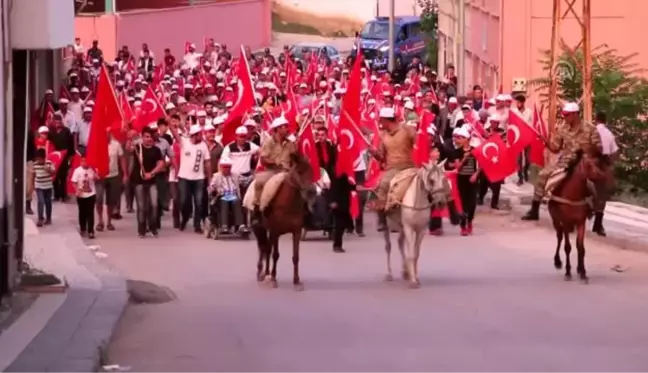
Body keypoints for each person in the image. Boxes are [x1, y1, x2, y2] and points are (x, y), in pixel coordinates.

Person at [522, 102, 603, 220]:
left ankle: (594, 210)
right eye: (564, 115)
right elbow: (555, 148)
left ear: (575, 114)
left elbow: (599, 149)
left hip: (584, 162)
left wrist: (590, 150)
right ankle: (534, 209)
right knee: (542, 175)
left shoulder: (590, 128)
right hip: (566, 161)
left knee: (595, 183)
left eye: (567, 115)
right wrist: (546, 141)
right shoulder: (562, 128)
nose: (564, 117)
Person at [367, 107, 416, 230]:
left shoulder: (406, 130)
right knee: (381, 187)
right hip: (392, 169)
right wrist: (374, 153)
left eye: (381, 121)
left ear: (387, 120)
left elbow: (419, 144)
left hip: (409, 166)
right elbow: (381, 157)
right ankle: (382, 220)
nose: (380, 123)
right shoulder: (383, 135)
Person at [251, 116, 298, 225]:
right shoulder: (269, 142)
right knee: (259, 182)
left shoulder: (291, 143)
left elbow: (295, 158)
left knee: (302, 184)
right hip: (272, 171)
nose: (287, 129)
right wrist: (275, 162)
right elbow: (263, 160)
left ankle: (304, 210)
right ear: (277, 129)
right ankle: (257, 208)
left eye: (287, 126)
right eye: (284, 127)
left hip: (287, 172)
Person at [171, 124, 212, 233]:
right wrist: (170, 122)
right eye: (199, 134)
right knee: (184, 201)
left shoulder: (203, 145)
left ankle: (197, 225)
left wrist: (210, 178)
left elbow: (207, 162)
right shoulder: (184, 142)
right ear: (194, 135)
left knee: (198, 202)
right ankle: (184, 218)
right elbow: (174, 133)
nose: (201, 136)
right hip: (184, 178)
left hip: (199, 179)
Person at [131, 127, 165, 237]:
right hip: (138, 181)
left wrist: (152, 173)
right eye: (146, 137)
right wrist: (129, 137)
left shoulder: (156, 150)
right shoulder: (137, 148)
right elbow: (128, 148)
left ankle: (153, 227)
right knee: (142, 207)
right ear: (142, 137)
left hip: (152, 181)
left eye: (150, 137)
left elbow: (161, 164)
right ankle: (141, 229)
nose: (148, 139)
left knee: (154, 205)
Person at [592, 111, 618, 236]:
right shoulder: (609, 134)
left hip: (591, 163)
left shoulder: (591, 131)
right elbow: (615, 152)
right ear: (605, 121)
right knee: (602, 196)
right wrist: (609, 164)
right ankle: (598, 225)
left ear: (595, 120)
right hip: (603, 165)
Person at [95, 132, 127, 232]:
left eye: (108, 133)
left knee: (111, 201)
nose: (106, 135)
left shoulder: (116, 144)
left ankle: (109, 222)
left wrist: (125, 174)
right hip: (100, 176)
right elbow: (92, 159)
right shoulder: (97, 145)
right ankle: (100, 221)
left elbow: (122, 159)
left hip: (113, 176)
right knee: (99, 199)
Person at [208, 156, 247, 234]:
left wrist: (252, 178)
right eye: (225, 167)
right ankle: (224, 225)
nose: (227, 169)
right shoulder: (216, 176)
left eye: (228, 167)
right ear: (221, 167)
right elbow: (211, 187)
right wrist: (212, 189)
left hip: (233, 196)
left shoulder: (235, 175)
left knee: (237, 201)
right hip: (222, 196)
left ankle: (240, 225)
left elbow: (244, 181)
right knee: (224, 201)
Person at [452, 127, 479, 235]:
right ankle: (463, 225)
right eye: (459, 137)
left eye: (462, 138)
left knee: (472, 202)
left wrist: (476, 174)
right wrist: (464, 158)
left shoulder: (475, 150)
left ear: (467, 139)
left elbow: (480, 165)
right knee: (462, 203)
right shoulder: (457, 152)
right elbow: (457, 166)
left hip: (472, 178)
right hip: (462, 178)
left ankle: (470, 221)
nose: (459, 140)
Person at [70, 151, 98, 239]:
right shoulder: (77, 171)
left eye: (85, 161)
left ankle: (91, 231)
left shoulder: (92, 169)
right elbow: (73, 182)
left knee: (90, 213)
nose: (84, 163)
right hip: (81, 195)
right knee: (82, 213)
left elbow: (96, 179)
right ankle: (83, 228)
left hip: (91, 194)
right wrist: (77, 190)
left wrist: (96, 176)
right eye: (82, 161)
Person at [514, 94, 533, 185]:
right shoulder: (514, 112)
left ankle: (526, 170)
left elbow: (533, 124)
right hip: (518, 138)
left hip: (527, 138)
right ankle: (520, 177)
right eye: (516, 102)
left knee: (528, 158)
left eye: (518, 102)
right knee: (518, 159)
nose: (517, 104)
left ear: (523, 103)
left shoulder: (529, 112)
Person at [33, 148, 55, 227]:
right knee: (40, 202)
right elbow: (33, 175)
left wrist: (48, 169)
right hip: (39, 186)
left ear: (44, 158)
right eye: (37, 159)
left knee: (48, 202)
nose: (39, 161)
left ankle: (48, 218)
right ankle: (40, 218)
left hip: (48, 186)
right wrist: (32, 186)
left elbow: (54, 172)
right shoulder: (34, 165)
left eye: (40, 159)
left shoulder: (49, 163)